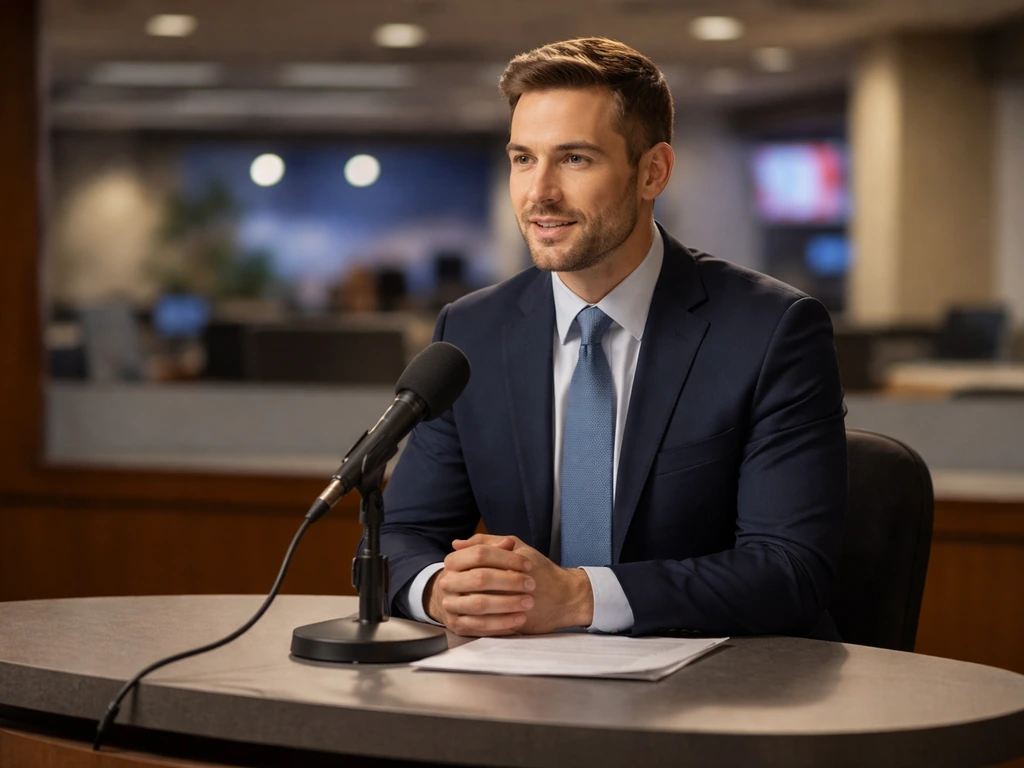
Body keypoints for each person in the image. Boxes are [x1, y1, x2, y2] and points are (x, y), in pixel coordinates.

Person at [379, 37, 847, 639]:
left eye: (574, 159)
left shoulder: (772, 331)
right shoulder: (472, 331)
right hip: (524, 683)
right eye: (523, 158)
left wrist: (579, 598)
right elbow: (402, 535)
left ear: (653, 171)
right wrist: (441, 591)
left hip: (723, 693)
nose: (538, 192)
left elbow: (790, 570)